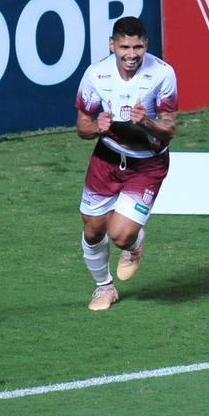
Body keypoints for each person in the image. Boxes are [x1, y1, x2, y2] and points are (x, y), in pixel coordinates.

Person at [74, 16, 178, 311]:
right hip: (107, 158)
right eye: (124, 47)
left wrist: (146, 121)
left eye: (138, 47)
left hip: (147, 164)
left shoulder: (162, 74)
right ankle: (104, 288)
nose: (131, 54)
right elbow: (82, 125)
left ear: (146, 45)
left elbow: (170, 128)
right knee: (93, 230)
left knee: (120, 234)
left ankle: (133, 243)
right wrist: (97, 128)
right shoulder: (96, 74)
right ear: (112, 45)